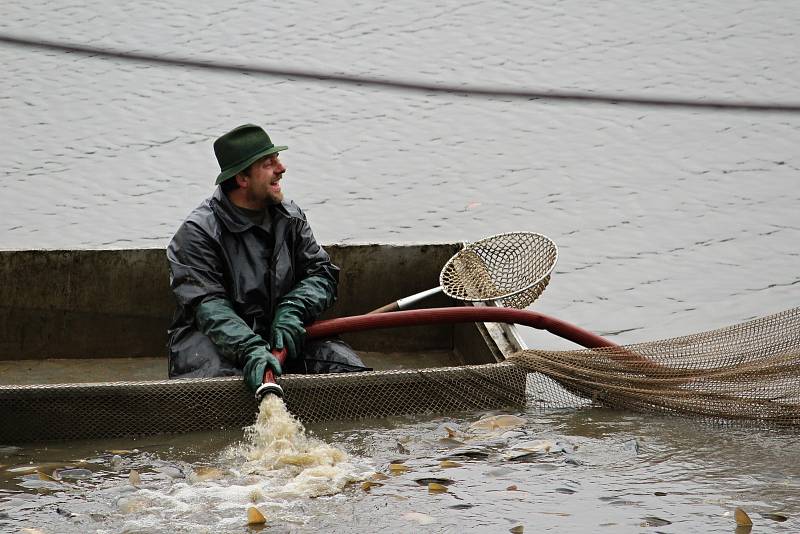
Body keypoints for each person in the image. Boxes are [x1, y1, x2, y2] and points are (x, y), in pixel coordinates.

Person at [166, 123, 368, 399]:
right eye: (268, 163)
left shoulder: (290, 217)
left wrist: (293, 309)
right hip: (215, 344)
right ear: (242, 179)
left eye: (277, 159)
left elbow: (322, 274)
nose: (281, 168)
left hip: (282, 338)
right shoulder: (197, 233)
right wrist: (250, 349)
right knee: (219, 393)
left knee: (351, 374)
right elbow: (208, 306)